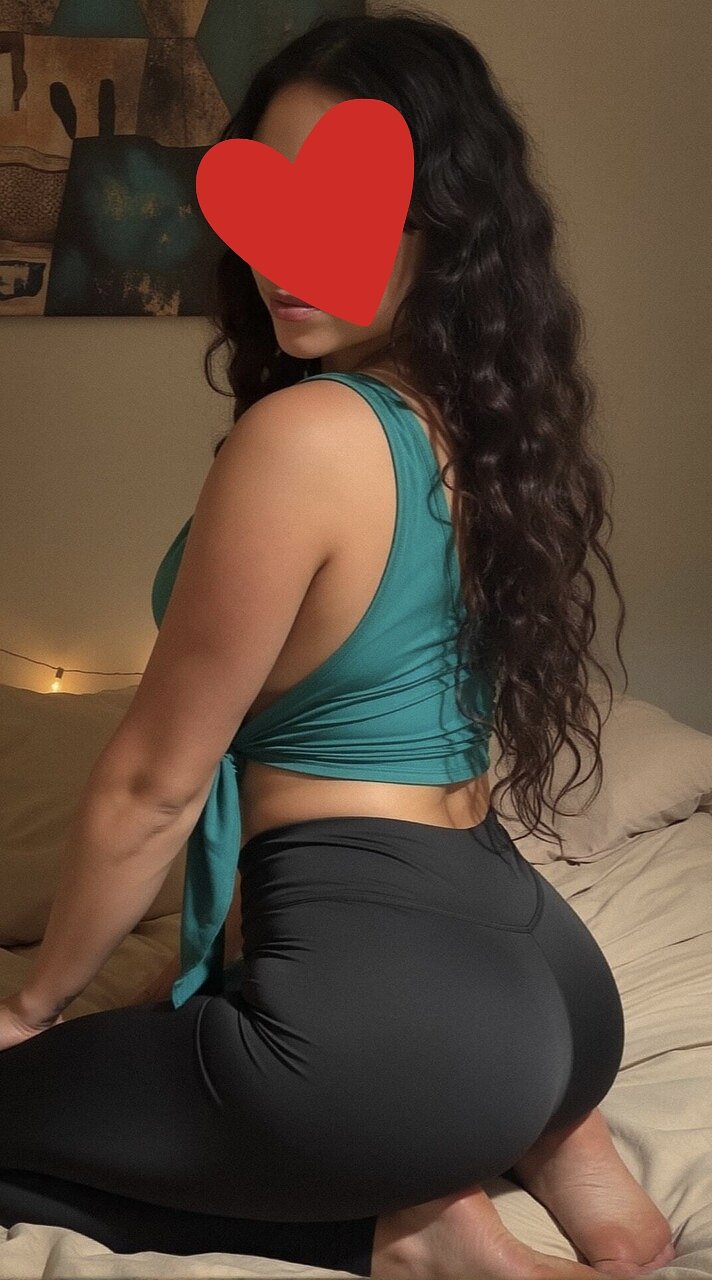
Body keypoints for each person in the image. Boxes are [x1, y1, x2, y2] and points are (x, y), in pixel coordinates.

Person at [0, 9, 675, 1279]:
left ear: (445, 227)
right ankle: (558, 1141)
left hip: (392, 1022)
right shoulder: (484, 429)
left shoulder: (303, 437)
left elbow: (153, 786)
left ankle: (414, 1231)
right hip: (541, 973)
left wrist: (30, 1004)